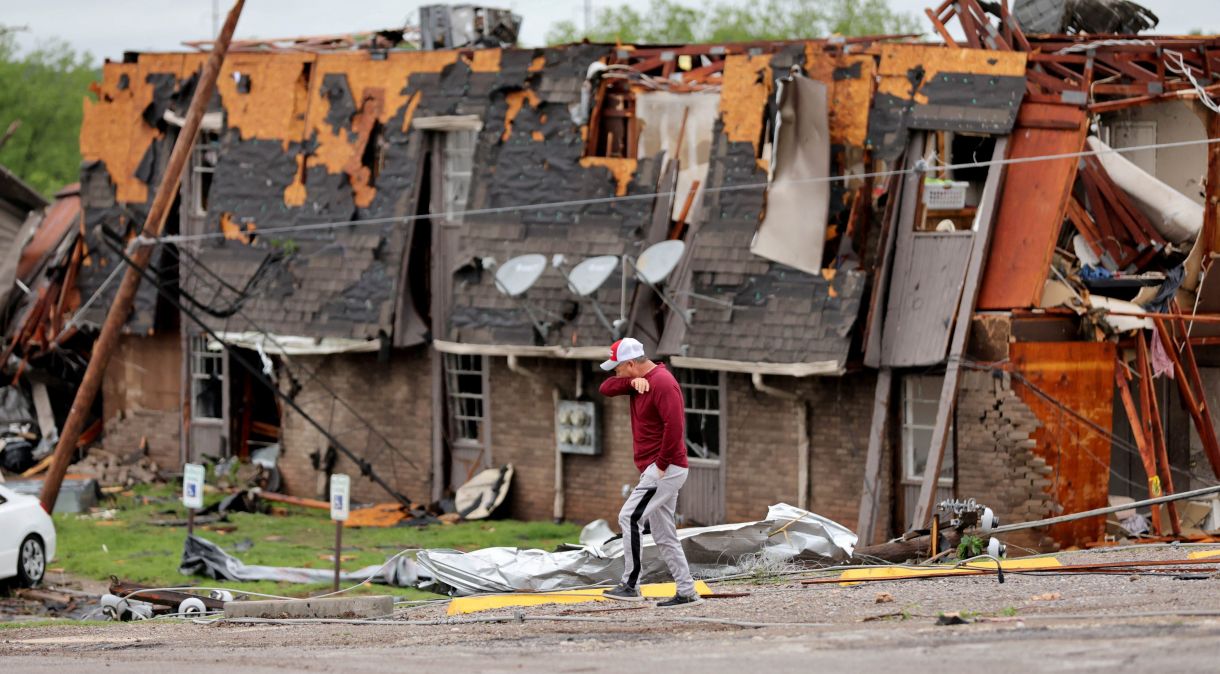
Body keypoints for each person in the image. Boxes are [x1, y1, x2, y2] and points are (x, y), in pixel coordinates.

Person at [597, 337, 702, 607]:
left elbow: (675, 427)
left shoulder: (663, 383)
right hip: (661, 468)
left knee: (629, 517)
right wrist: (630, 382)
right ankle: (687, 591)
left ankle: (631, 584)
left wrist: (661, 465)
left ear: (631, 363)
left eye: (618, 368)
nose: (615, 372)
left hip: (665, 468)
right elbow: (605, 387)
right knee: (664, 534)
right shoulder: (638, 383)